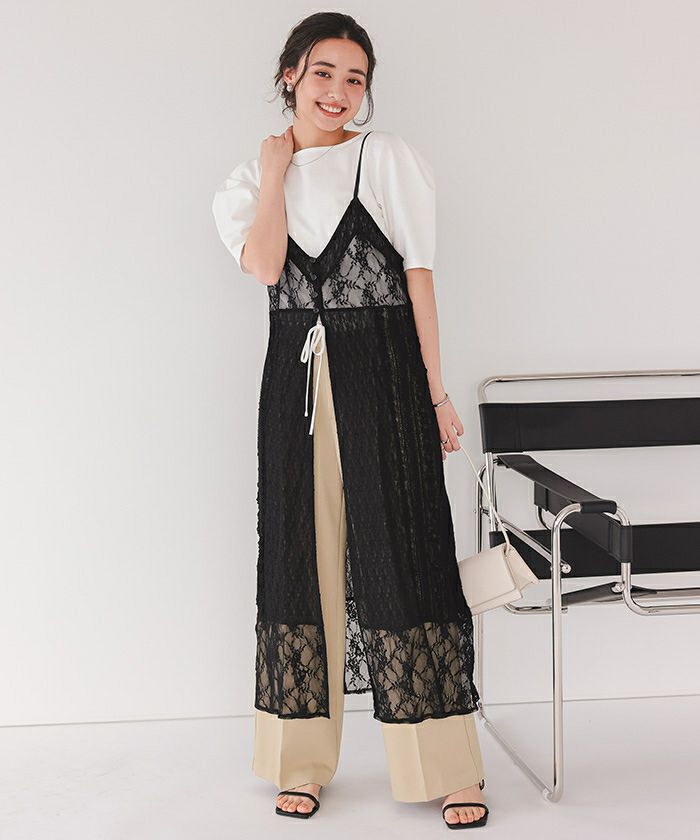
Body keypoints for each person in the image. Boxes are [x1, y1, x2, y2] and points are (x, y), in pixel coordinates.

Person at [212, 12, 489, 829]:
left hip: (388, 378)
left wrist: (437, 391)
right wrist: (276, 172)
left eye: (355, 78)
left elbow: (420, 278)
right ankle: (298, 762)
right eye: (323, 72)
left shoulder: (388, 159)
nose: (339, 91)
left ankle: (449, 768)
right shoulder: (245, 182)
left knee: (407, 557)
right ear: (290, 75)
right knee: (299, 561)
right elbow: (266, 266)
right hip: (294, 390)